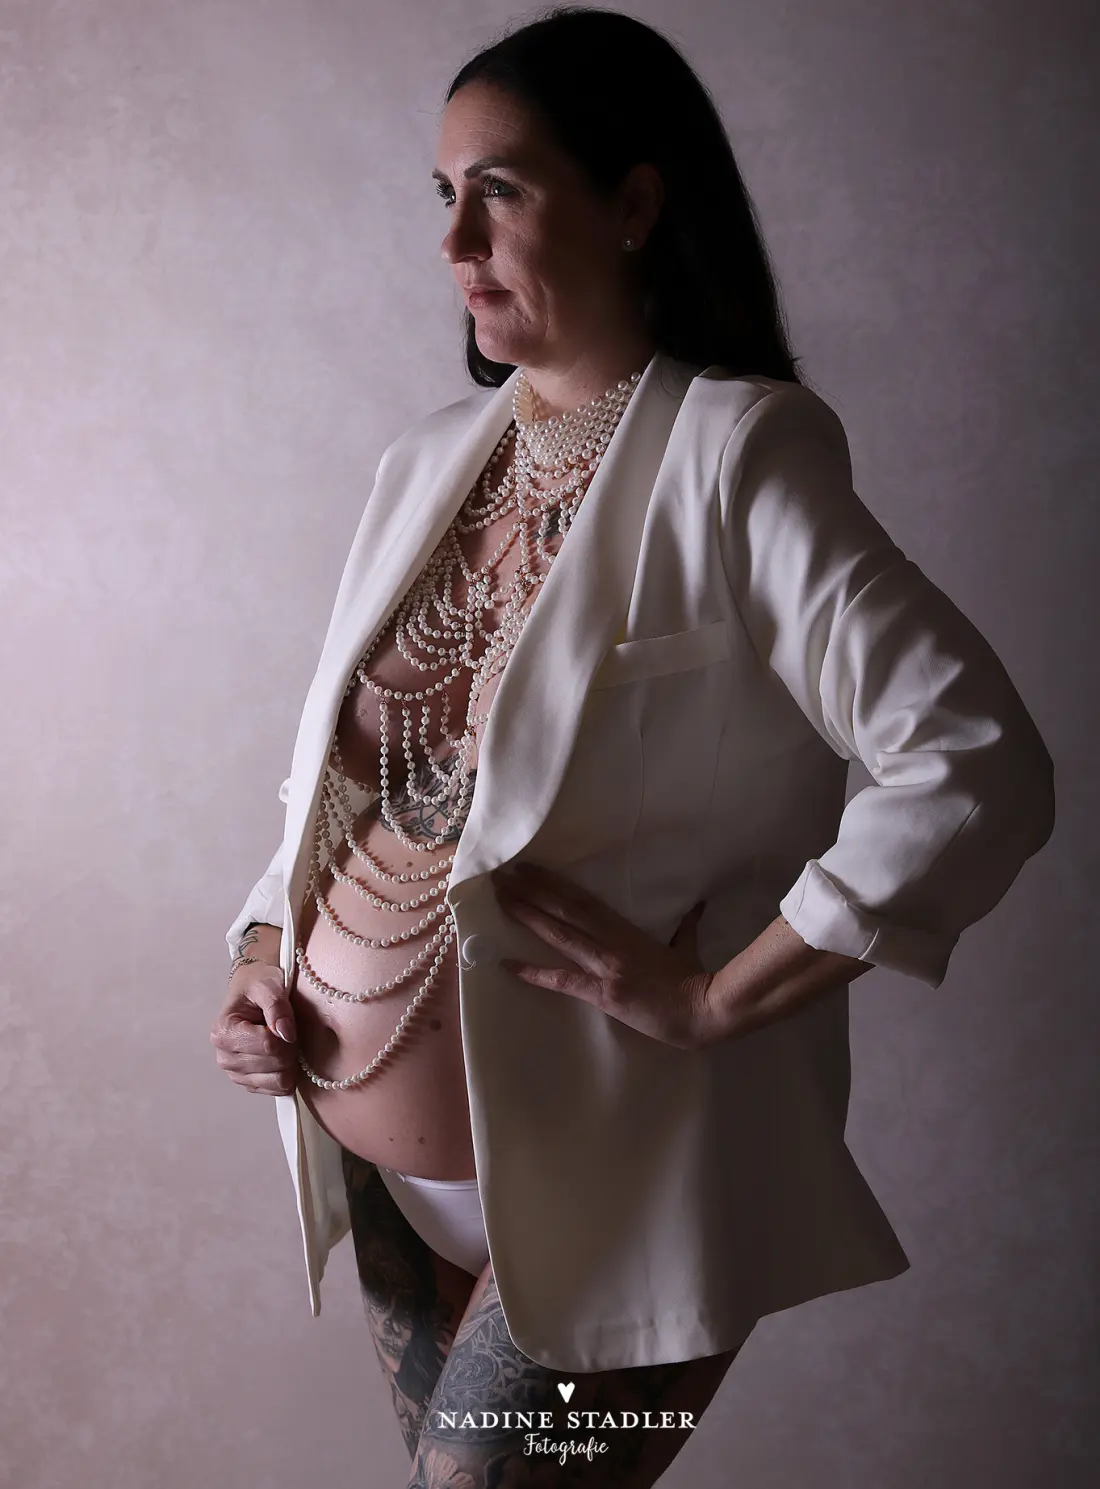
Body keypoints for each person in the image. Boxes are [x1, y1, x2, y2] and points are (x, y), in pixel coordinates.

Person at [209, 8, 1056, 1486]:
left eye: (501, 190)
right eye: (444, 195)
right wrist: (264, 946)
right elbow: (349, 779)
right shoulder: (427, 459)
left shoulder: (740, 451)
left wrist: (717, 997)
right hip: (385, 1173)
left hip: (627, 1168)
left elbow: (974, 759)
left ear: (636, 203)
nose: (454, 240)